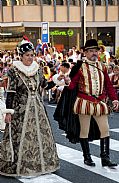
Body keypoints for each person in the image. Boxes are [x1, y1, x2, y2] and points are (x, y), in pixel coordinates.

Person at [55, 39, 119, 168]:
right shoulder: (79, 67)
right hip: (84, 102)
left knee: (105, 129)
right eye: (91, 51)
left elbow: (108, 85)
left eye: (96, 51)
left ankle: (105, 157)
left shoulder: (103, 66)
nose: (94, 53)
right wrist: (67, 81)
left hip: (100, 102)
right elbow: (72, 86)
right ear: (85, 53)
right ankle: (87, 157)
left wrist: (115, 99)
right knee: (84, 130)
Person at [0, 40, 59, 176]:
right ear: (21, 55)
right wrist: (8, 112)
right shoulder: (14, 71)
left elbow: (45, 85)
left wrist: (57, 80)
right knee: (21, 138)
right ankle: (20, 166)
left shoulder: (37, 69)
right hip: (20, 110)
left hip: (38, 109)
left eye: (32, 55)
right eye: (27, 55)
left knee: (41, 137)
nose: (30, 58)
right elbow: (11, 92)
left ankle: (40, 164)